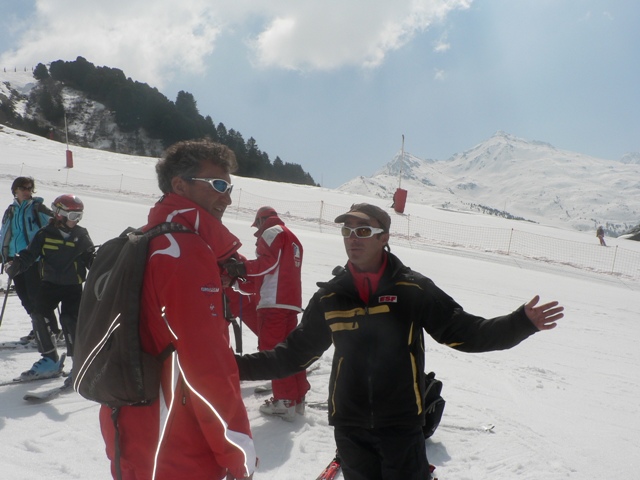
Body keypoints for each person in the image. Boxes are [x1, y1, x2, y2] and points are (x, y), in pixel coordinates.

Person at [235, 203, 564, 480]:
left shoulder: (412, 289)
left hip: (401, 426)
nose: (353, 238)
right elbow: (292, 355)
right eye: (347, 231)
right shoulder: (330, 297)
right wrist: (232, 366)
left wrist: (520, 323)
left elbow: (466, 333)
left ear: (384, 238)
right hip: (350, 428)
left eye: (363, 230)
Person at [97, 139, 256, 480]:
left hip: (131, 428)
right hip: (173, 443)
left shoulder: (147, 237)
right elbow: (205, 366)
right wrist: (238, 451)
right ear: (180, 185)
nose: (227, 198)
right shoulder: (182, 250)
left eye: (229, 188)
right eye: (218, 185)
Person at [224, 206, 309, 421]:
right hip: (289, 302)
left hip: (273, 303)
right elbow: (266, 276)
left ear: (262, 221)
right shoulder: (293, 239)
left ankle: (284, 401)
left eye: (257, 227)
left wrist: (241, 268)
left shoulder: (271, 232)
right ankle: (297, 399)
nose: (257, 233)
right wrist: (236, 281)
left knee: (272, 351)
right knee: (290, 351)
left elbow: (267, 263)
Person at [6, 194, 94, 380]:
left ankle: (78, 363)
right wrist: (17, 265)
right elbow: (30, 255)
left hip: (73, 286)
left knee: (70, 320)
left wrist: (98, 264)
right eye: (73, 216)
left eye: (79, 216)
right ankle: (50, 360)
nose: (76, 220)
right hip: (50, 284)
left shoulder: (81, 235)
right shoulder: (44, 234)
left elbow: (90, 258)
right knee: (39, 314)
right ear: (59, 214)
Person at [0, 176, 61, 343]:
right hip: (14, 259)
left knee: (37, 296)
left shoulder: (37, 208)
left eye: (29, 188)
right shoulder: (10, 211)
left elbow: (56, 224)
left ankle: (52, 330)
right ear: (15, 190)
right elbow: (5, 233)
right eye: (23, 188)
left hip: (33, 259)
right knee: (24, 297)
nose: (27, 191)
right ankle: (39, 328)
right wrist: (3, 254)